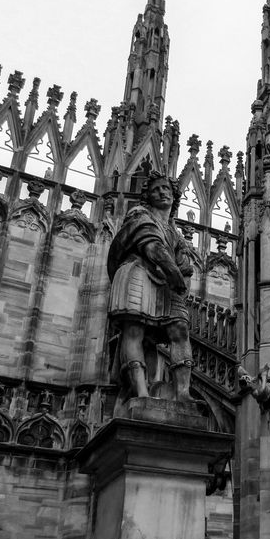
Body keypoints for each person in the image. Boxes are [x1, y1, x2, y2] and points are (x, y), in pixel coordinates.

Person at [107, 172, 194, 402]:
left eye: (166, 188)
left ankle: (182, 393)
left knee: (180, 330)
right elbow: (151, 246)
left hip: (165, 284)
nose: (162, 192)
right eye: (156, 189)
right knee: (135, 331)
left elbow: (186, 265)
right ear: (148, 196)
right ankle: (141, 392)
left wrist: (182, 264)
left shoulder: (173, 231)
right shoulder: (139, 215)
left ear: (174, 196)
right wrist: (174, 270)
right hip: (138, 273)